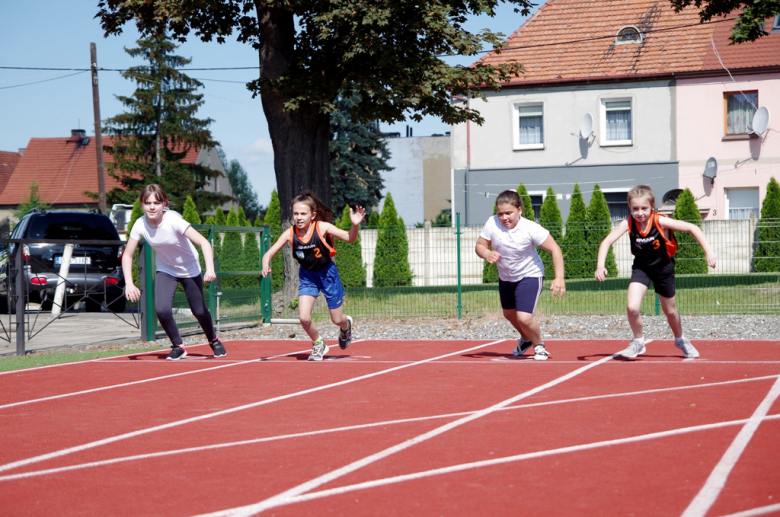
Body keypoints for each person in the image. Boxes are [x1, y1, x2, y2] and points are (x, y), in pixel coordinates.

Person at [595, 185, 717, 359]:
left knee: (671, 312)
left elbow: (693, 228)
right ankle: (638, 341)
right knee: (632, 307)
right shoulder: (627, 223)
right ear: (629, 207)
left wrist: (709, 252)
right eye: (635, 208)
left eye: (644, 208)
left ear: (652, 207)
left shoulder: (660, 221)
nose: (639, 212)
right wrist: (600, 265)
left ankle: (680, 339)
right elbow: (606, 242)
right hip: (642, 268)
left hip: (663, 269)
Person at [122, 184, 225, 361]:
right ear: (142, 205)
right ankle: (178, 346)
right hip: (166, 269)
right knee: (161, 309)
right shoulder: (140, 224)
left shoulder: (173, 220)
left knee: (199, 311)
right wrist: (129, 284)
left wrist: (210, 269)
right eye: (147, 203)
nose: (152, 207)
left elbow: (204, 243)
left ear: (164, 204)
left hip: (190, 269)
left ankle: (214, 340)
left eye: (156, 202)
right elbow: (128, 255)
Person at [261, 190, 365, 361]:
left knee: (336, 319)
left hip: (328, 274)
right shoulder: (290, 233)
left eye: (303, 213)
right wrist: (265, 264)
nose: (299, 217)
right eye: (295, 213)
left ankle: (346, 326)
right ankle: (318, 343)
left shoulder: (322, 227)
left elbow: (350, 238)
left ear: (312, 215)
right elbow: (268, 253)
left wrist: (355, 225)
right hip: (308, 275)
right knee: (303, 317)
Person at [475, 190, 565, 361]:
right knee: (509, 315)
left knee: (523, 317)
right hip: (506, 276)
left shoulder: (530, 228)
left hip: (530, 274)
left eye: (509, 213)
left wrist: (559, 277)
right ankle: (526, 339)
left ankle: (539, 345)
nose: (504, 217)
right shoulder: (491, 223)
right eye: (500, 213)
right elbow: (480, 245)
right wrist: (486, 253)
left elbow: (555, 249)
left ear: (519, 210)